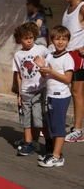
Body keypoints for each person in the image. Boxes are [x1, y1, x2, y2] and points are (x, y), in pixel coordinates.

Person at [34, 25, 74, 167]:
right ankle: (55, 153)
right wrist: (41, 68)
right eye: (57, 39)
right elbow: (45, 75)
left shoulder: (68, 58)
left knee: (58, 127)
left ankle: (57, 156)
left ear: (68, 41)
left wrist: (51, 70)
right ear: (52, 41)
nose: (60, 42)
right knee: (52, 126)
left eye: (64, 39)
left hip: (61, 96)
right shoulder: (50, 56)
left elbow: (67, 79)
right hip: (50, 95)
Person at [12, 21, 52, 156]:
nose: (29, 41)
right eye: (25, 38)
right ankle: (28, 143)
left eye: (31, 38)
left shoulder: (41, 49)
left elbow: (51, 59)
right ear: (19, 40)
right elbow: (19, 74)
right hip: (25, 92)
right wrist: (19, 92)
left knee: (40, 117)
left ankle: (48, 142)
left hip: (39, 90)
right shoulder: (18, 55)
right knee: (26, 119)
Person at [61, 0, 84, 142]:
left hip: (77, 56)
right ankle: (57, 125)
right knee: (60, 89)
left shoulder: (82, 8)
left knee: (77, 93)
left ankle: (78, 130)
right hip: (65, 55)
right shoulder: (68, 8)